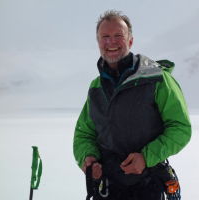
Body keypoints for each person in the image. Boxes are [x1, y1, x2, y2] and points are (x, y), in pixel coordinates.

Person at [73, 10, 191, 200]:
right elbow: (84, 134)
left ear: (130, 41)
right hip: (109, 188)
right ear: (98, 43)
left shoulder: (157, 79)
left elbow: (180, 128)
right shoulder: (96, 87)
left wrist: (146, 158)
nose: (111, 42)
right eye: (105, 37)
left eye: (118, 36)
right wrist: (89, 159)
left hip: (150, 185)